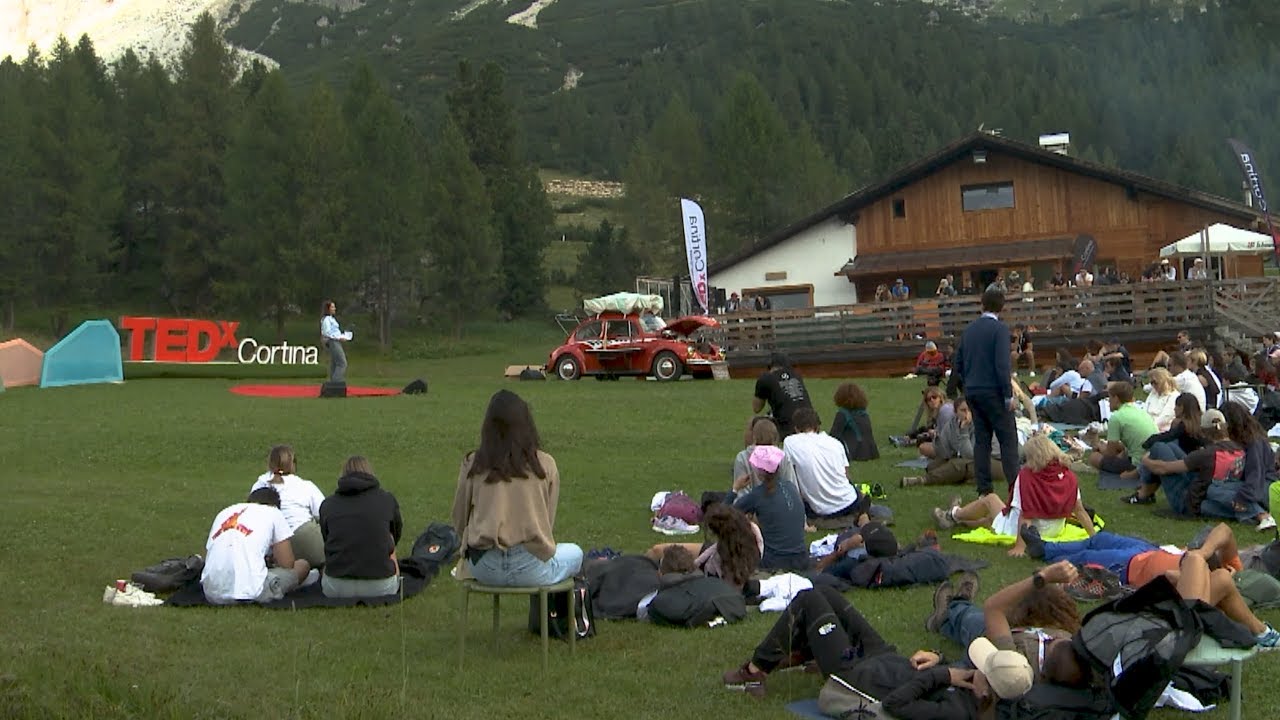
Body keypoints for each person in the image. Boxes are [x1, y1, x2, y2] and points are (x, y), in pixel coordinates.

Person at [723, 585, 996, 716]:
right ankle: (813, 649)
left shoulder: (955, 714)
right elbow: (949, 669)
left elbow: (896, 703)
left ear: (987, 692)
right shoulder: (976, 684)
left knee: (808, 600)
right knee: (825, 594)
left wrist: (943, 676)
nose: (976, 667)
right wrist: (940, 658)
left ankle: (755, 671)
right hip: (884, 657)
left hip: (856, 673)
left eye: (983, 668)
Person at [452, 390, 582, 587]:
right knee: (576, 553)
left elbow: (459, 518)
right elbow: (546, 523)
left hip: (484, 566)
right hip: (530, 566)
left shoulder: (473, 464)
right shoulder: (545, 465)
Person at [933, 435, 1095, 557]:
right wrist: (1094, 538)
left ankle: (953, 514)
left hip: (1030, 531)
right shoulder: (1068, 476)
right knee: (988, 520)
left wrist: (1020, 547)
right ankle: (958, 519)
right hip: (1055, 530)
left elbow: (1026, 514)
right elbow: (1079, 511)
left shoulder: (1027, 476)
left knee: (990, 499)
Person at [955, 288, 1020, 497]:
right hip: (994, 391)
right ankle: (1015, 488)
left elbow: (958, 362)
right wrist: (1008, 394)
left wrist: (968, 384)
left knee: (981, 441)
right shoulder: (1000, 329)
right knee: (1007, 440)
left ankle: (984, 490)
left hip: (973, 390)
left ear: (981, 304)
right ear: (1002, 307)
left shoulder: (969, 330)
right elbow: (1002, 364)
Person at [201, 486, 312, 605]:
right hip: (252, 592)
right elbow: (287, 563)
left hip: (211, 591)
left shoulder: (224, 513)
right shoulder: (273, 513)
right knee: (302, 565)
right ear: (275, 505)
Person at [320, 456, 403, 598]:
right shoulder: (386, 500)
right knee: (387, 537)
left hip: (336, 588)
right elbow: (395, 534)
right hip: (381, 587)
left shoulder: (328, 504)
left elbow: (326, 537)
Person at [727, 445, 809, 572]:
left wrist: (735, 489)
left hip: (774, 562)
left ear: (759, 471)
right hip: (801, 559)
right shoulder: (790, 487)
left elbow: (722, 515)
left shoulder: (758, 495)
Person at [783, 407, 866, 521]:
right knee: (857, 493)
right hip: (849, 502)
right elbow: (846, 476)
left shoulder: (790, 442)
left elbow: (790, 478)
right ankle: (863, 513)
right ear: (818, 426)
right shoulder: (835, 443)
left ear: (796, 428)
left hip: (820, 510)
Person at [250, 444, 327, 568]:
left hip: (270, 545)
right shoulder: (305, 485)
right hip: (303, 537)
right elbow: (325, 514)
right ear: (293, 464)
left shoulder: (259, 485)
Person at [903, 398, 1007, 489]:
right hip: (972, 460)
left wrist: (964, 431)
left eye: (970, 410)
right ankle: (967, 478)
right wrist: (938, 439)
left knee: (958, 465)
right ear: (955, 411)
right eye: (963, 410)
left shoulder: (980, 425)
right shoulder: (951, 425)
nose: (967, 414)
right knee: (933, 466)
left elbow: (970, 455)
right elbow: (945, 454)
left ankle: (921, 480)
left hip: (996, 462)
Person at [1129, 393, 1207, 505]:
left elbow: (1166, 437)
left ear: (1182, 408)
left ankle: (1144, 491)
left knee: (1157, 449)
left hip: (1184, 465)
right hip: (1193, 465)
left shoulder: (1183, 426)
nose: (1174, 409)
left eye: (1176, 406)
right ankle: (1144, 490)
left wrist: (1148, 441)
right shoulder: (1200, 424)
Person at [1223, 402, 1279, 531]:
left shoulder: (1254, 443)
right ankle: (1252, 513)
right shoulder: (1249, 439)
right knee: (1208, 503)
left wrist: (1242, 497)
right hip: (1256, 485)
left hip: (1264, 486)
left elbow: (1255, 476)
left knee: (1222, 489)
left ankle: (1260, 514)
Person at [1086, 382, 1155, 476]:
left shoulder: (1116, 418)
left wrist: (1101, 448)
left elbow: (1110, 453)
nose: (1108, 401)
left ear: (1116, 398)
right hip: (1152, 457)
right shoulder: (1141, 412)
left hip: (1138, 463)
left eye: (1109, 398)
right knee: (1119, 449)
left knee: (1094, 457)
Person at [753, 352, 813, 438]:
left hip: (787, 427)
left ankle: (755, 450)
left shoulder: (766, 378)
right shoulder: (797, 376)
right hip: (811, 425)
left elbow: (756, 408)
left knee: (754, 422)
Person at [732, 417, 799, 489]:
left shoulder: (742, 457)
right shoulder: (783, 457)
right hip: (779, 498)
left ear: (754, 437)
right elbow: (792, 487)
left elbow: (741, 493)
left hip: (753, 499)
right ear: (776, 437)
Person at [829, 382, 879, 462]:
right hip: (871, 452)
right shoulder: (864, 413)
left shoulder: (843, 414)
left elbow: (833, 436)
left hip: (855, 453)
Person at [320, 300, 352, 383]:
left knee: (334, 363)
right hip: (332, 341)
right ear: (328, 309)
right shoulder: (326, 320)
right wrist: (339, 338)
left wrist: (342, 336)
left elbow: (335, 331)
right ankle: (336, 381)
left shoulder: (332, 319)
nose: (335, 308)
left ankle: (332, 382)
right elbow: (327, 332)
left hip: (336, 340)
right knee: (342, 363)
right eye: (332, 307)